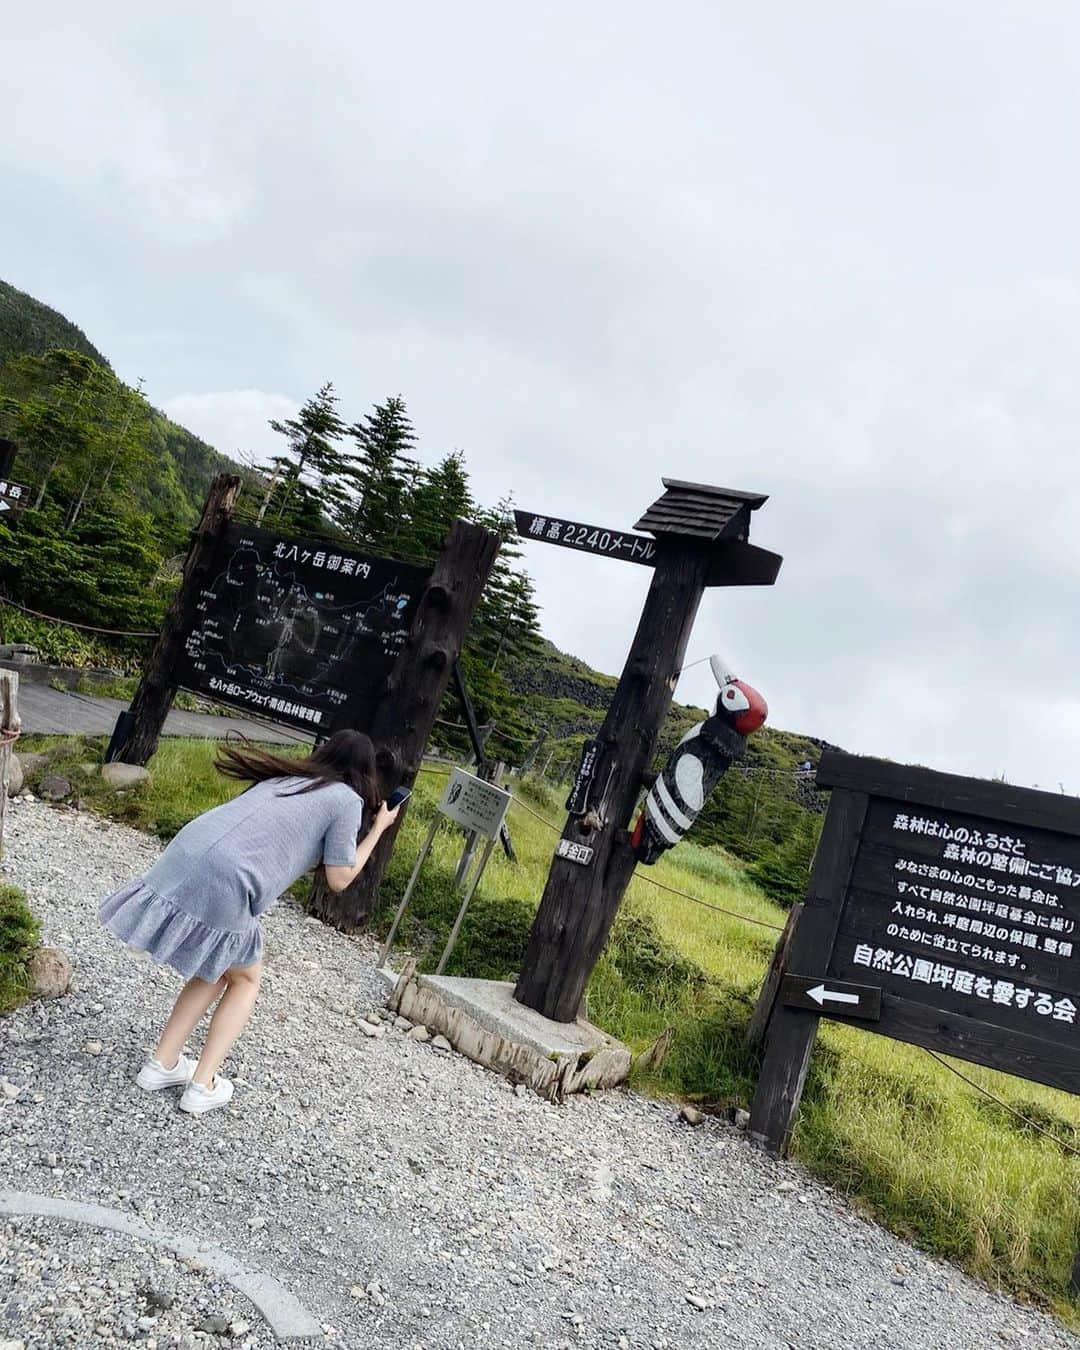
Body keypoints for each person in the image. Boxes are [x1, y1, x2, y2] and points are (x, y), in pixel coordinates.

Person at [97, 730, 401, 1116]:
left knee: (218, 967)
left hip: (188, 848)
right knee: (245, 978)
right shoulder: (346, 800)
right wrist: (378, 829)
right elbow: (340, 878)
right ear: (365, 772)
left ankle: (162, 1063)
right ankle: (202, 1083)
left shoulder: (284, 777)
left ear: (324, 755)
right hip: (229, 877)